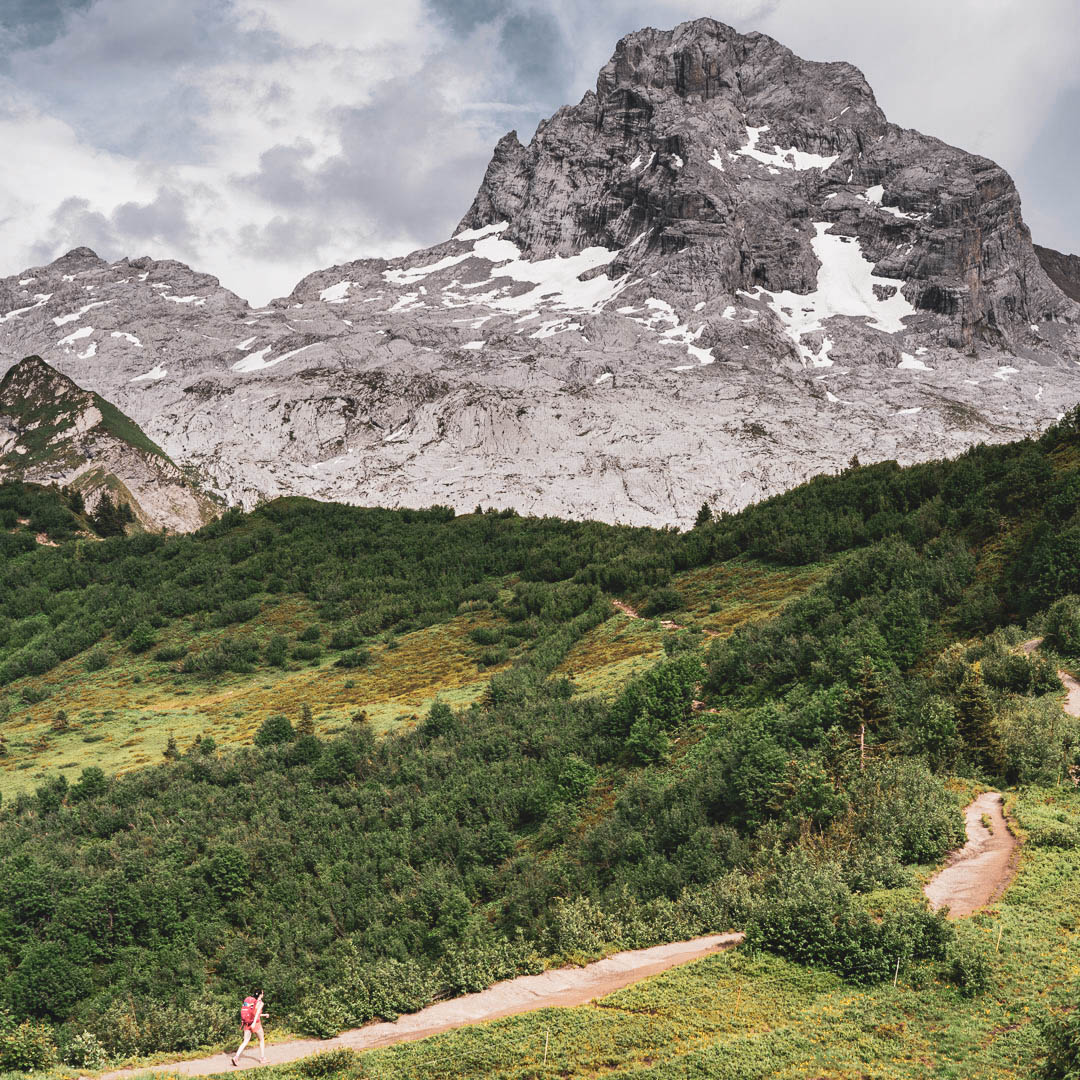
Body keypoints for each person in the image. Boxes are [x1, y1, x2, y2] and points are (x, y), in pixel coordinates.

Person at [232, 989, 267, 1066]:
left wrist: (264, 1015)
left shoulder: (250, 1001)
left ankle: (236, 1057)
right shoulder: (260, 1003)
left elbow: (252, 1013)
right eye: (263, 993)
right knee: (261, 1040)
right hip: (256, 1024)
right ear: (260, 995)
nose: (263, 995)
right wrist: (254, 1023)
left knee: (245, 1041)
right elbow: (257, 1013)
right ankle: (262, 1058)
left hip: (247, 1023)